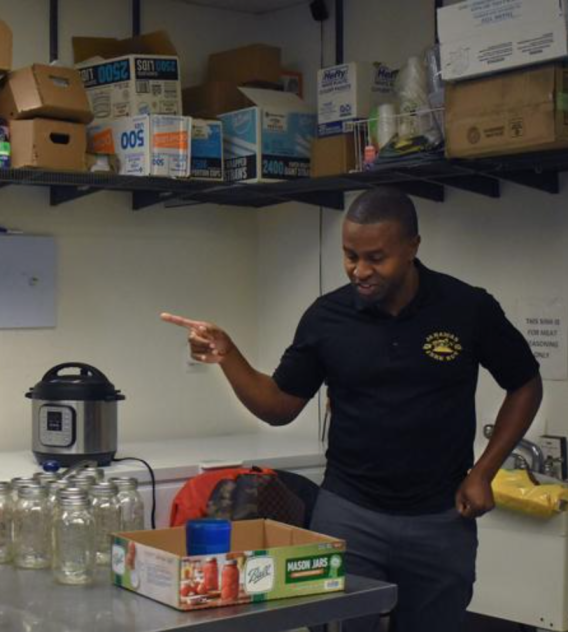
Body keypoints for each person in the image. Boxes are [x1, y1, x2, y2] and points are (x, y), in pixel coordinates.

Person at [162, 186, 542, 632]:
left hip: (440, 519)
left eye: (376, 258)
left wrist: (483, 472)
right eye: (349, 256)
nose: (359, 270)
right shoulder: (328, 317)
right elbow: (279, 407)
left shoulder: (467, 307)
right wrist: (229, 355)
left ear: (412, 248)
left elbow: (524, 385)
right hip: (349, 513)